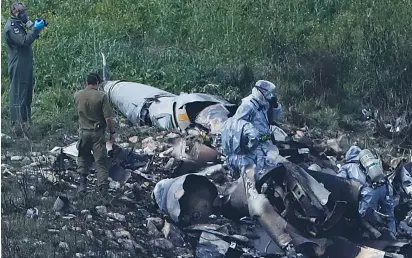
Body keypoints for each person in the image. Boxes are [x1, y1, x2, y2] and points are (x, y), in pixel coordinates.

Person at [220, 80, 282, 179]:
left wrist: (275, 106)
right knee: (254, 174)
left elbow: (271, 119)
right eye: (267, 93)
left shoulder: (263, 103)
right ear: (259, 91)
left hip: (265, 142)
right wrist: (247, 145)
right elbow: (237, 126)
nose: (269, 95)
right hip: (253, 146)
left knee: (267, 170)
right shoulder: (248, 105)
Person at [4, 2, 45, 133]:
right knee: (18, 94)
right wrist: (36, 29)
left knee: (27, 95)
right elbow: (24, 41)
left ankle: (26, 123)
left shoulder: (20, 22)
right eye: (22, 12)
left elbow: (32, 34)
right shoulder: (11, 27)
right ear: (15, 12)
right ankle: (17, 125)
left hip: (25, 64)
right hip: (18, 65)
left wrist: (37, 25)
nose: (25, 15)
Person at [337, 146, 396, 234]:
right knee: (389, 213)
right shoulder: (371, 162)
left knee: (364, 216)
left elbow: (339, 180)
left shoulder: (347, 166)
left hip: (369, 192)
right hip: (384, 187)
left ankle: (370, 235)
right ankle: (393, 232)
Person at [74, 73, 116, 194]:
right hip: (97, 133)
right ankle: (102, 188)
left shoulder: (77, 95)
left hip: (83, 133)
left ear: (87, 83)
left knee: (82, 157)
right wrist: (112, 132)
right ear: (97, 83)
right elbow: (108, 118)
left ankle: (82, 185)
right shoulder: (101, 96)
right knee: (101, 161)